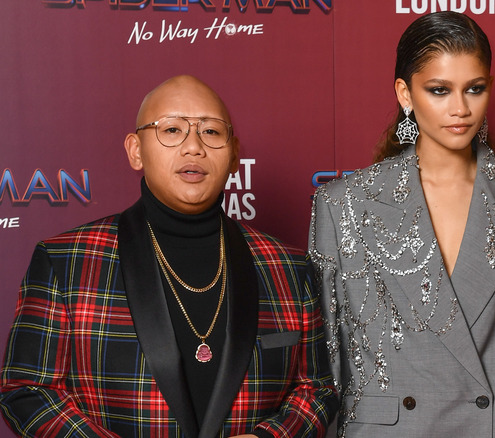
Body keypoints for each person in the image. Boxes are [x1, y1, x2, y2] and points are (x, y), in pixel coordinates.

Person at [0, 75, 338, 437]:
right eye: (172, 130)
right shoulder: (66, 260)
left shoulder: (287, 266)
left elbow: (315, 390)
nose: (194, 147)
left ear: (235, 153)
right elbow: (27, 391)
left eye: (211, 132)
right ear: (135, 150)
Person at [308, 11, 495, 437]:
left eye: (475, 89)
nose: (460, 109)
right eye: (439, 90)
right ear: (405, 93)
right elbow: (330, 362)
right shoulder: (343, 205)